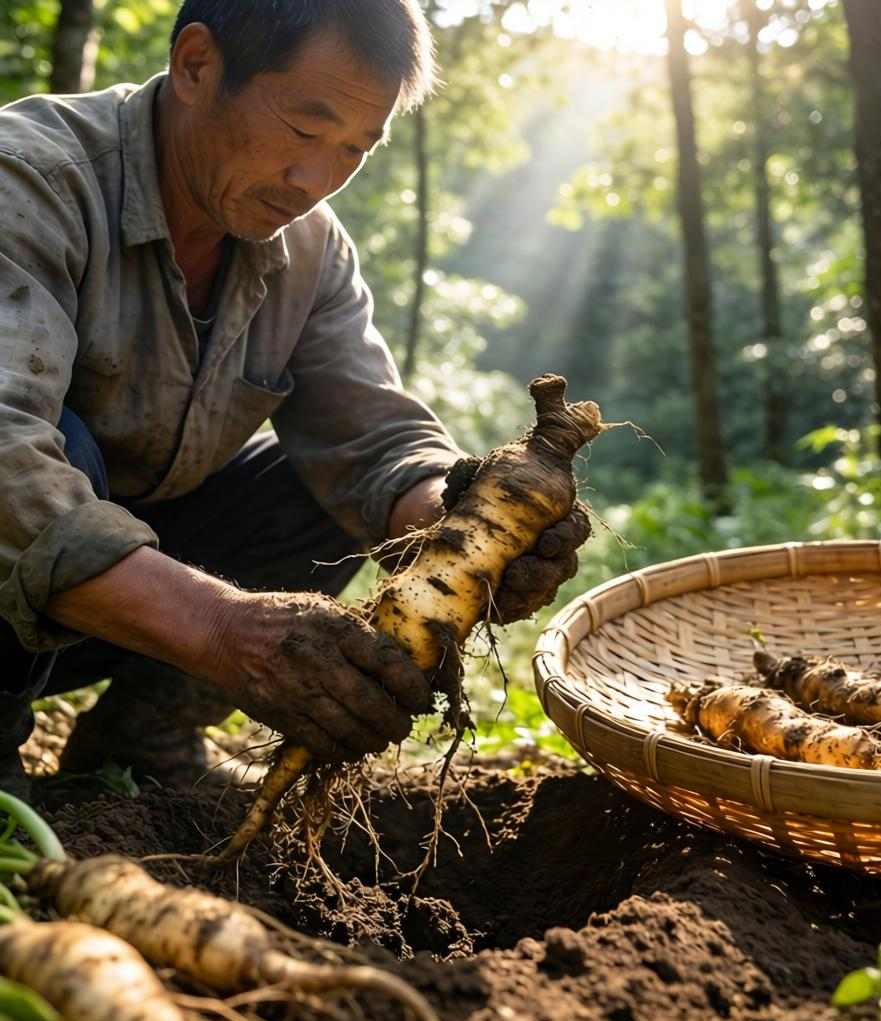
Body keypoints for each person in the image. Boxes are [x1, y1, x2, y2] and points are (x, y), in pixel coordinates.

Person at [0, 0, 588, 796]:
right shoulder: (30, 178)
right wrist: (222, 627)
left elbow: (370, 440)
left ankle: (142, 741)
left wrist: (465, 528)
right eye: (306, 130)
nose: (316, 180)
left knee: (308, 487)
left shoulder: (309, 249)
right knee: (58, 446)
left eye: (355, 148)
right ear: (197, 65)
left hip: (108, 602)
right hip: (19, 594)